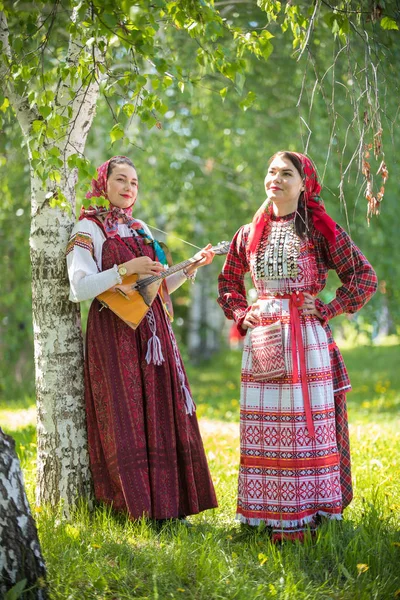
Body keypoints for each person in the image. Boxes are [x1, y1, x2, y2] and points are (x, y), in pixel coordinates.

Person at [217, 151, 377, 541]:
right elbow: (228, 284)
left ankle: (309, 514)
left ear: (305, 184)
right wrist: (242, 313)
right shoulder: (249, 231)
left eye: (286, 173)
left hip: (306, 338)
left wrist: (329, 306)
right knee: (265, 424)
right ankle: (265, 515)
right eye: (271, 171)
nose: (276, 179)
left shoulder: (320, 228)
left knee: (303, 428)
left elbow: (364, 277)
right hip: (264, 340)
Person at [66, 155, 217, 523]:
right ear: (103, 183)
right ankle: (134, 509)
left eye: (134, 182)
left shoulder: (140, 229)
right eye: (120, 179)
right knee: (126, 415)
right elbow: (79, 287)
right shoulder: (88, 228)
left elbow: (156, 289)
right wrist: (124, 269)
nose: (128, 188)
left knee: (161, 411)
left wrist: (190, 267)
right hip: (114, 336)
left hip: (154, 337)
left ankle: (170, 507)